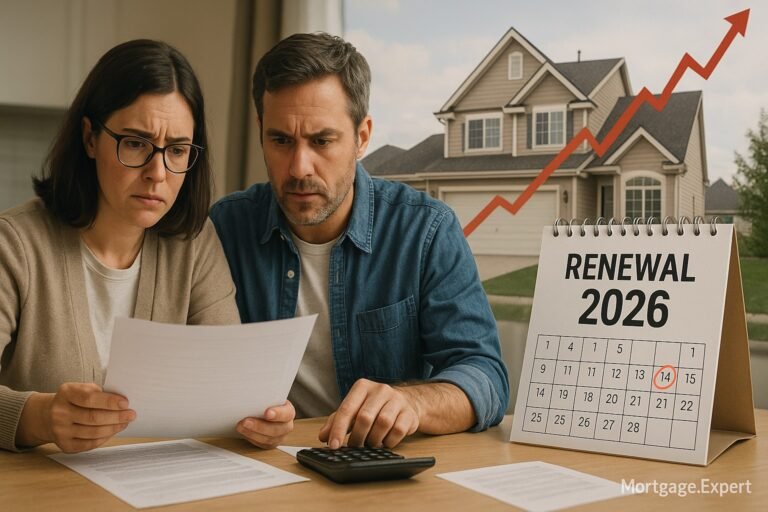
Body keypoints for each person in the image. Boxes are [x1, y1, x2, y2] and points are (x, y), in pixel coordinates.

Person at [210, 32, 509, 449]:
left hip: (379, 472)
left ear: (362, 137)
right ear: (260, 132)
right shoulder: (224, 228)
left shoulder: (426, 231)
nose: (299, 167)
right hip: (263, 466)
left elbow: (485, 377)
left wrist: (412, 403)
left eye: (321, 141)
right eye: (281, 140)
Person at [0, 39, 293, 453]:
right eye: (136, 143)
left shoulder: (195, 244)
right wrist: (38, 418)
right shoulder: (14, 244)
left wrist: (258, 418)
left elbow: (226, 385)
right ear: (89, 138)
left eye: (176, 150)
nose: (158, 173)